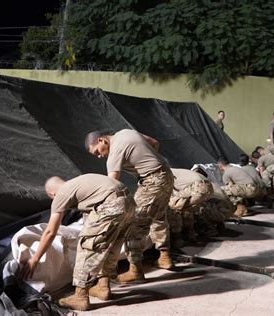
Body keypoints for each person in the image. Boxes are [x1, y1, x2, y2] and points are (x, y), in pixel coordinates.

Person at [20, 174, 137, 311]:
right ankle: (103, 286)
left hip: (110, 203)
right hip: (129, 201)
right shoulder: (80, 184)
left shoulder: (62, 193)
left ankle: (80, 296)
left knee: (87, 244)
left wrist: (35, 258)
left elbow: (50, 231)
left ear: (52, 194)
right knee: (110, 244)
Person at [85, 129, 174, 284]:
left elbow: (111, 184)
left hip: (152, 181)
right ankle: (165, 257)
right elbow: (154, 142)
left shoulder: (115, 151)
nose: (100, 156)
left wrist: (100, 206)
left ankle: (135, 271)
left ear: (101, 140)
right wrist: (148, 160)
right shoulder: (126, 132)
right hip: (167, 175)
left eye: (97, 152)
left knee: (132, 224)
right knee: (158, 216)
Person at [167, 168, 214, 247]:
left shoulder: (165, 172)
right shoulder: (179, 172)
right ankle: (191, 235)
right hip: (208, 187)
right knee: (187, 209)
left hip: (196, 187)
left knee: (172, 207)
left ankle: (177, 239)